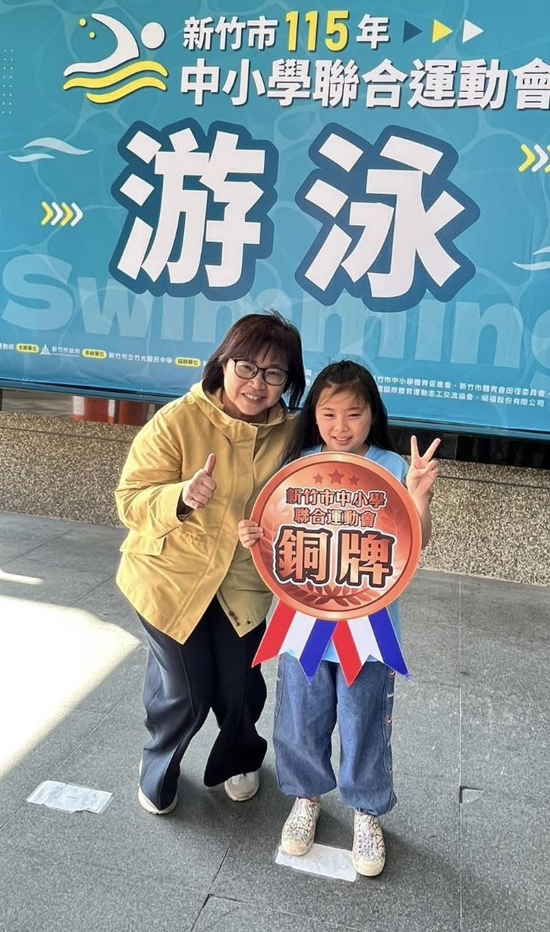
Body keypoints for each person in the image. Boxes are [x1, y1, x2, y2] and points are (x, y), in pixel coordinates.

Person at [238, 360, 440, 877]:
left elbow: (415, 541)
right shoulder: (299, 464)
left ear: (373, 414)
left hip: (367, 628)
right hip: (304, 623)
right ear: (314, 415)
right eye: (329, 414)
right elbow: (276, 530)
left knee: (363, 719)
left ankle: (366, 811)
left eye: (353, 413)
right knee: (300, 718)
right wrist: (254, 534)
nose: (341, 426)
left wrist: (419, 495)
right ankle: (305, 798)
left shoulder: (391, 466)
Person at [115, 312, 305, 816]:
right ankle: (158, 765)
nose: (257, 384)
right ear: (223, 363)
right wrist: (180, 497)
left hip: (242, 582)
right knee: (188, 693)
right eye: (247, 367)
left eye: (274, 373)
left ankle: (239, 758)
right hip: (169, 578)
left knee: (239, 688)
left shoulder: (293, 435)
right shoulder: (177, 420)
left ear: (288, 381)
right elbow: (130, 502)